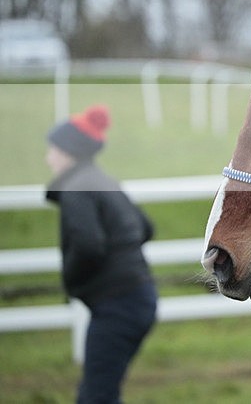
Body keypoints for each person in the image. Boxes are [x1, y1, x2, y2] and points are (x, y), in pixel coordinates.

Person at [45, 105, 158, 404]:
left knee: (96, 396)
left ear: (70, 151)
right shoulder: (103, 181)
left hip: (117, 306)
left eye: (53, 150)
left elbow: (88, 245)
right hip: (137, 299)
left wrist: (70, 282)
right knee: (99, 391)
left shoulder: (76, 188)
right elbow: (145, 227)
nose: (49, 158)